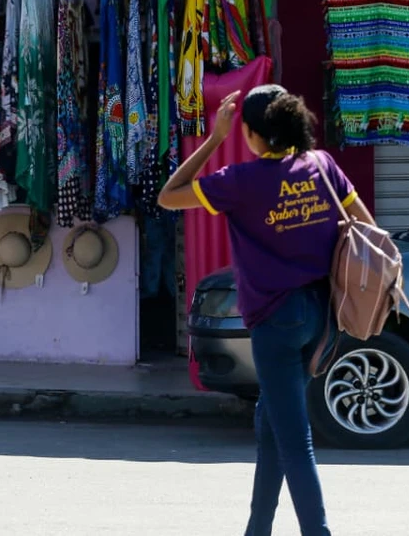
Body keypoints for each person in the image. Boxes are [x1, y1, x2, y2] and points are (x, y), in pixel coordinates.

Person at [158, 84, 375, 536]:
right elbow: (366, 227)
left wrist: (214, 140)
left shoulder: (239, 182)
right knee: (272, 425)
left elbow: (169, 195)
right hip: (320, 316)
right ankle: (257, 529)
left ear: (254, 135)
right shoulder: (322, 165)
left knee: (296, 442)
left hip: (276, 322)